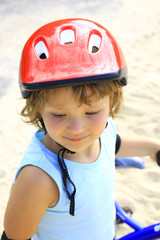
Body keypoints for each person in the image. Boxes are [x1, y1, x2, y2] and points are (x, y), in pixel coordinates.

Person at [1, 18, 160, 240]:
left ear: (111, 102)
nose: (77, 129)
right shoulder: (39, 179)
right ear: (37, 110)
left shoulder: (103, 131)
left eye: (91, 113)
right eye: (59, 115)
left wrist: (153, 149)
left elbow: (113, 144)